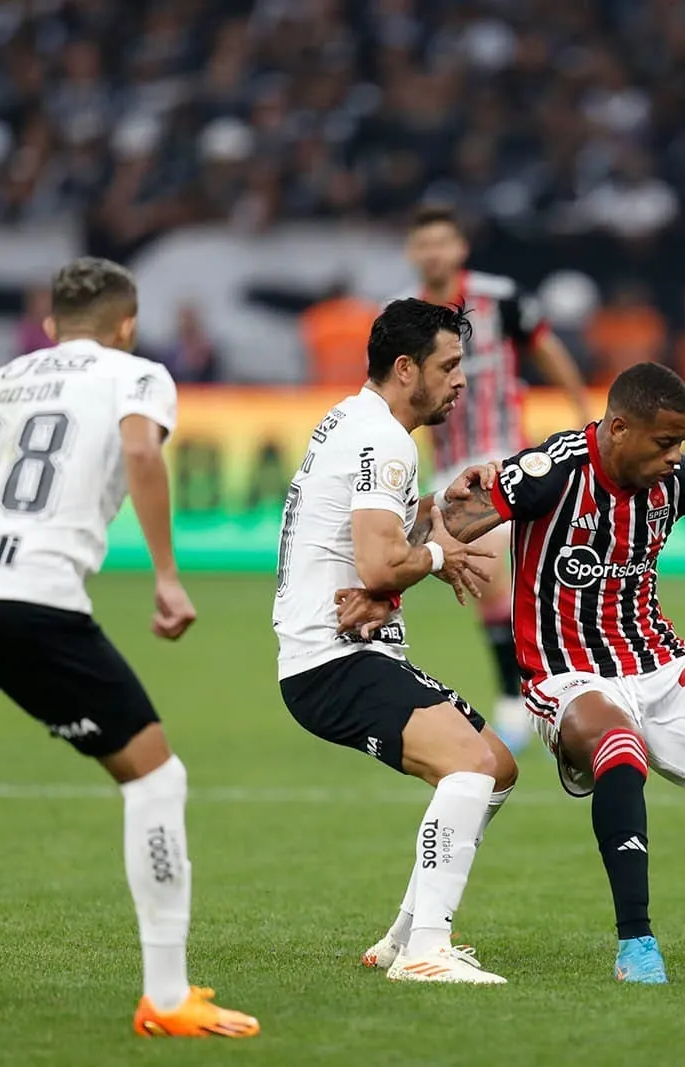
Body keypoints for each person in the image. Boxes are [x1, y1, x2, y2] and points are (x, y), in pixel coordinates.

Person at [345, 362, 685, 984]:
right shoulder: (549, 472)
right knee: (620, 750)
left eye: (682, 444)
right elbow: (445, 522)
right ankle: (636, 947)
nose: (676, 456)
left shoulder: (673, 480)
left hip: (661, 664)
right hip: (567, 675)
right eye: (665, 442)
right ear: (618, 428)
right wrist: (380, 592)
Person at [0, 258, 258, 1038]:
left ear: (49, 325)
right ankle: (166, 995)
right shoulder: (138, 373)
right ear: (127, 323)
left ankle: (168, 992)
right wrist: (165, 576)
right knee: (155, 775)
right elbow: (144, 453)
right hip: (32, 593)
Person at [273, 298, 518, 985]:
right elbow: (382, 564)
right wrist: (440, 560)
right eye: (449, 366)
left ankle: (402, 937)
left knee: (496, 764)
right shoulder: (383, 439)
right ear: (406, 368)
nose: (460, 380)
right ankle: (427, 952)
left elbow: (377, 557)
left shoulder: (355, 423)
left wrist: (438, 511)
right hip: (335, 659)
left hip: (340, 651)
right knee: (468, 764)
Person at [392, 204, 591, 751]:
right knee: (485, 580)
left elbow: (546, 349)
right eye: (423, 244)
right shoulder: (404, 314)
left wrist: (580, 410)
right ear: (413, 253)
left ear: (460, 248)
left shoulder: (498, 298)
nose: (433, 253)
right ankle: (527, 689)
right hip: (449, 462)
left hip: (501, 452)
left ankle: (520, 694)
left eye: (443, 242)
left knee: (493, 557)